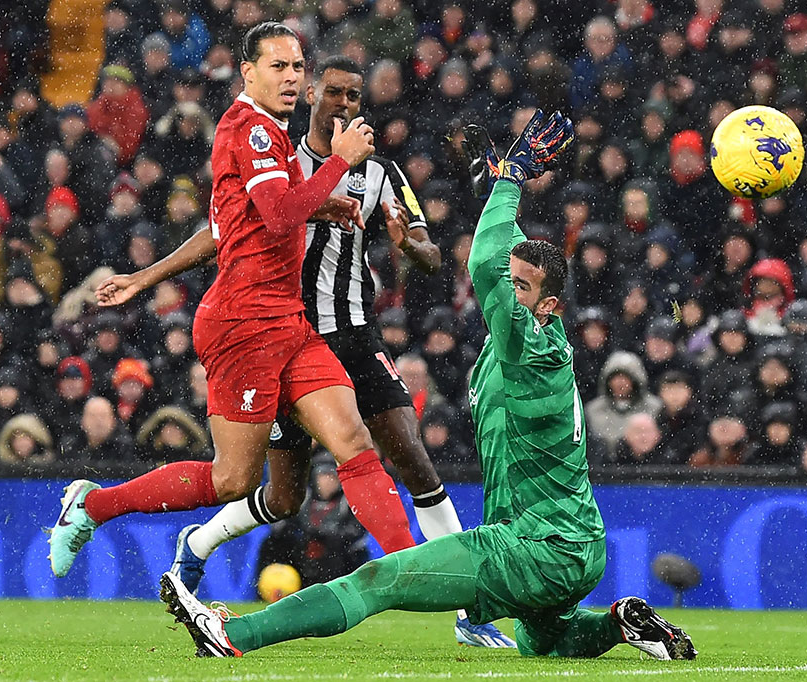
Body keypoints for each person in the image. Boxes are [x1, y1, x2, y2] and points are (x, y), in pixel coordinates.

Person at [160, 109, 695, 662]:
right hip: (575, 543)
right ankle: (620, 622)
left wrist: (513, 180)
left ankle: (232, 636)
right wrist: (496, 182)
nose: (509, 293)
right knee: (544, 639)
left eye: (523, 288)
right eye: (513, 284)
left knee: (375, 582)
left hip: (535, 547)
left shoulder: (527, 345)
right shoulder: (531, 334)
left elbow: (486, 262)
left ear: (551, 304)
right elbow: (502, 252)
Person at [49, 23, 412, 582]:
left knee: (352, 438)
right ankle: (94, 506)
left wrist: (145, 276)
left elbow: (230, 228)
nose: (291, 77)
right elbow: (277, 215)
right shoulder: (251, 131)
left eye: (297, 67)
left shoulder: (272, 131)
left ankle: (412, 569)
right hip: (242, 325)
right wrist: (338, 163)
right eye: (277, 66)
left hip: (288, 322)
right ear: (248, 72)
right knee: (234, 481)